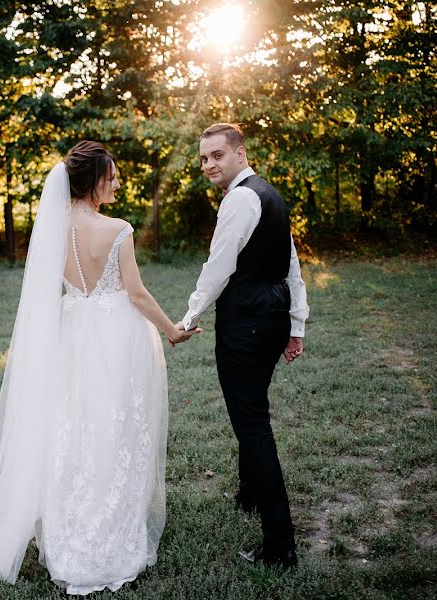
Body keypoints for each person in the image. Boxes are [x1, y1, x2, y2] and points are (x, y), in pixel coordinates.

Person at [0, 141, 199, 594]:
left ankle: (71, 531)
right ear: (93, 180)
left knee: (75, 429)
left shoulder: (52, 231)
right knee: (117, 430)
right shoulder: (118, 229)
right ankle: (112, 533)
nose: (117, 181)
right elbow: (135, 293)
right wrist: (171, 330)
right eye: (111, 175)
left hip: (73, 335)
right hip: (117, 337)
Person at [179, 123, 309, 568]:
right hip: (271, 319)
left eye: (217, 155)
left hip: (246, 324)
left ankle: (279, 546)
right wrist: (296, 324)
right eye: (203, 159)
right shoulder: (270, 193)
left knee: (251, 424)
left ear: (240, 153)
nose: (209, 165)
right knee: (251, 408)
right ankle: (248, 495)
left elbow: (218, 268)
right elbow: (291, 264)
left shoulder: (238, 199)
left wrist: (188, 317)